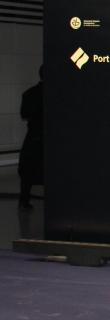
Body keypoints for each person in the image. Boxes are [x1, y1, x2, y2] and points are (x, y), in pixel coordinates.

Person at [18, 65, 43, 211]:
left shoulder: (29, 94)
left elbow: (24, 115)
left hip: (33, 136)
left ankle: (24, 200)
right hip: (48, 136)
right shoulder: (55, 94)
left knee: (28, 170)